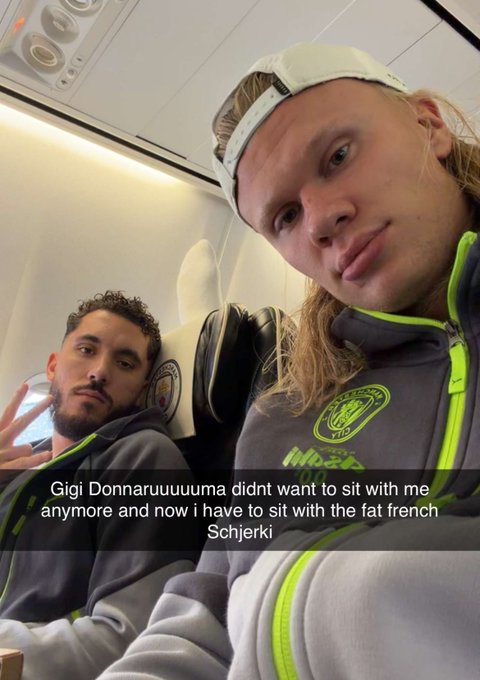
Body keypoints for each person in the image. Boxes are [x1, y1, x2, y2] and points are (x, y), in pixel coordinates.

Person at [96, 44, 480, 680]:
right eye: (285, 216)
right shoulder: (284, 412)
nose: (322, 220)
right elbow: (203, 630)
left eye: (338, 156)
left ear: (429, 124)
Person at [0, 291, 198, 680]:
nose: (99, 371)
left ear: (143, 387)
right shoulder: (18, 471)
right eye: (86, 350)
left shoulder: (143, 458)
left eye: (124, 363)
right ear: (53, 366)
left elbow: (126, 639)